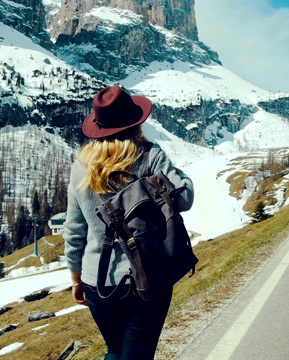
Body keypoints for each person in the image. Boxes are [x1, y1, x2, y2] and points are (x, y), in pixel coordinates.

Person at [63, 85, 194, 359]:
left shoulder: (80, 166)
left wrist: (77, 277)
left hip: (96, 281)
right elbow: (184, 198)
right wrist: (180, 175)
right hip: (148, 278)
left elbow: (75, 231)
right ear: (135, 122)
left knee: (114, 349)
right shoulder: (149, 155)